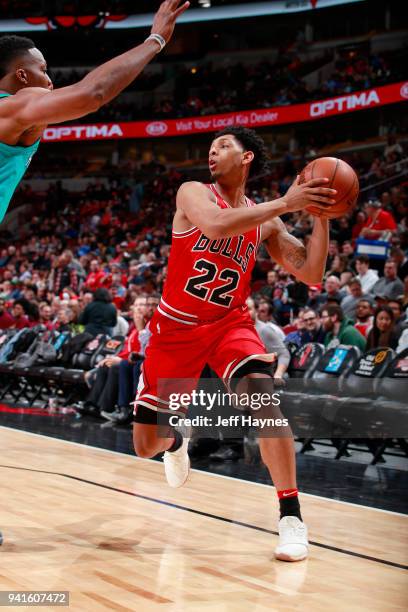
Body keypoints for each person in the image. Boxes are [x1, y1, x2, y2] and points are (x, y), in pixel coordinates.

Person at [132, 126, 337, 562]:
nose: (212, 152)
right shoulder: (194, 192)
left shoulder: (267, 221)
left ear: (246, 158)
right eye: (210, 147)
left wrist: (321, 213)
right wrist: (285, 202)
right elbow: (217, 224)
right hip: (176, 329)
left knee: (263, 399)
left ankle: (291, 516)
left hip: (229, 324)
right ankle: (174, 442)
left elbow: (312, 271)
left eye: (223, 146)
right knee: (146, 444)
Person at [0, 0, 189, 223]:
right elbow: (92, 94)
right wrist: (156, 40)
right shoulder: (12, 107)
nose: (50, 81)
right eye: (43, 70)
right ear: (22, 76)